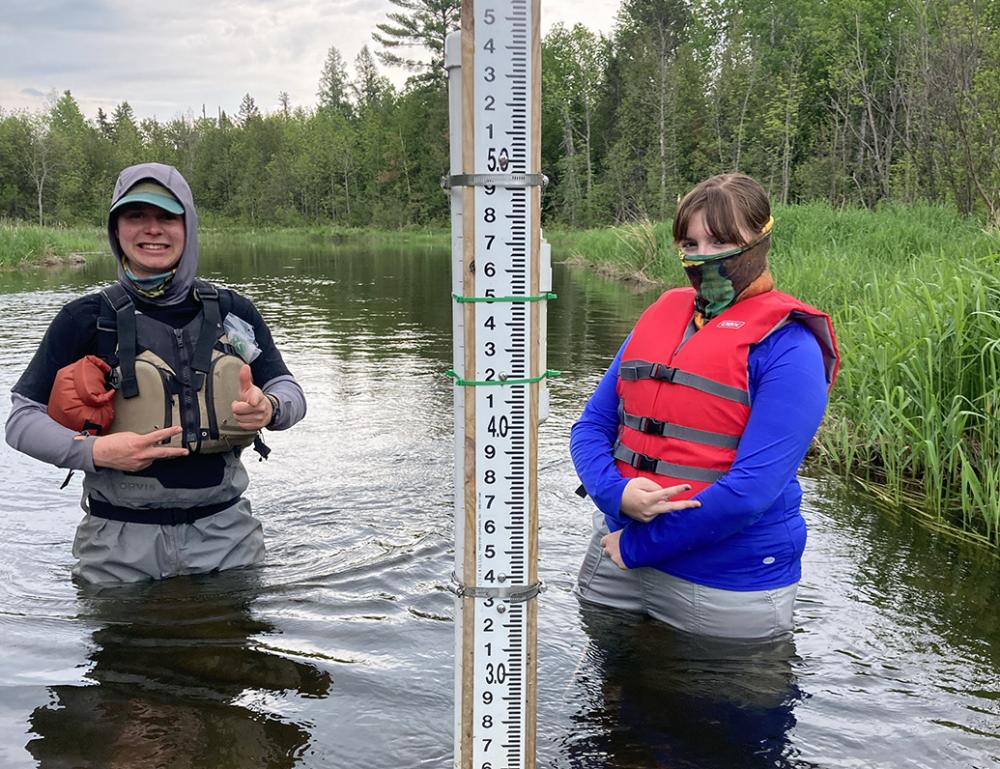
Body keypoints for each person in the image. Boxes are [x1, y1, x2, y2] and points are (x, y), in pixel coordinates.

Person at [5, 162, 306, 583]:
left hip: (227, 538)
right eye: (136, 216)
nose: (152, 230)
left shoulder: (234, 311)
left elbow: (288, 390)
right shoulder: (84, 318)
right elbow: (20, 421)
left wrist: (271, 408)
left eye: (167, 216)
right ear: (116, 229)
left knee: (231, 647)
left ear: (188, 225)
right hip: (117, 545)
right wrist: (95, 453)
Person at [571, 173, 839, 641]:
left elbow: (751, 492)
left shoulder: (791, 347)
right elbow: (591, 426)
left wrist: (638, 545)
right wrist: (615, 495)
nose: (702, 256)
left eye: (720, 240)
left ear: (761, 238)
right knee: (605, 707)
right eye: (689, 243)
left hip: (723, 584)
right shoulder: (663, 315)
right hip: (616, 561)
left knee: (715, 713)